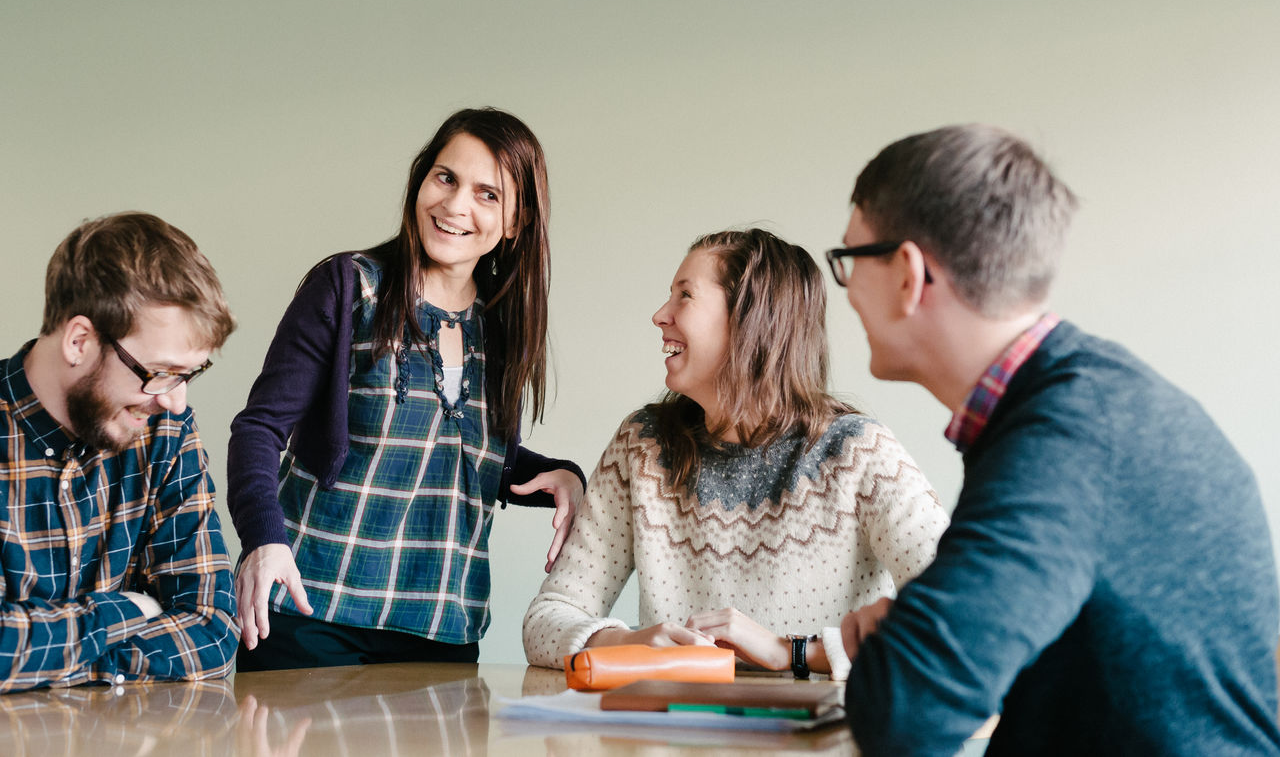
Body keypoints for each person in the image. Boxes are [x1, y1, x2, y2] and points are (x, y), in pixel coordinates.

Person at [832, 124, 1280, 755]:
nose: (845, 291)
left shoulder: (1066, 441)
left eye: (849, 261)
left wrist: (894, 645)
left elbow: (907, 709)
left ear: (908, 274)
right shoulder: (1097, 403)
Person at [228, 107, 586, 671]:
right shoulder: (348, 288)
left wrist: (559, 477)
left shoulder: (502, 328)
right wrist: (262, 540)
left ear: (516, 222)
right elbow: (259, 427)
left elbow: (464, 454)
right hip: (311, 614)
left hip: (442, 631)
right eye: (445, 177)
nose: (455, 205)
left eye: (487, 194)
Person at [523, 228, 948, 678]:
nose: (659, 315)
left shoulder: (860, 452)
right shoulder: (641, 445)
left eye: (685, 296)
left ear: (751, 320)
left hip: (821, 743)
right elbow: (546, 619)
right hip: (675, 740)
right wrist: (627, 642)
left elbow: (958, 617)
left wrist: (790, 652)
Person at [1, 212, 239, 693]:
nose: (175, 400)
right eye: (159, 372)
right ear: (80, 341)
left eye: (189, 374)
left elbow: (212, 630)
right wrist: (123, 612)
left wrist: (56, 660)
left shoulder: (165, 431)